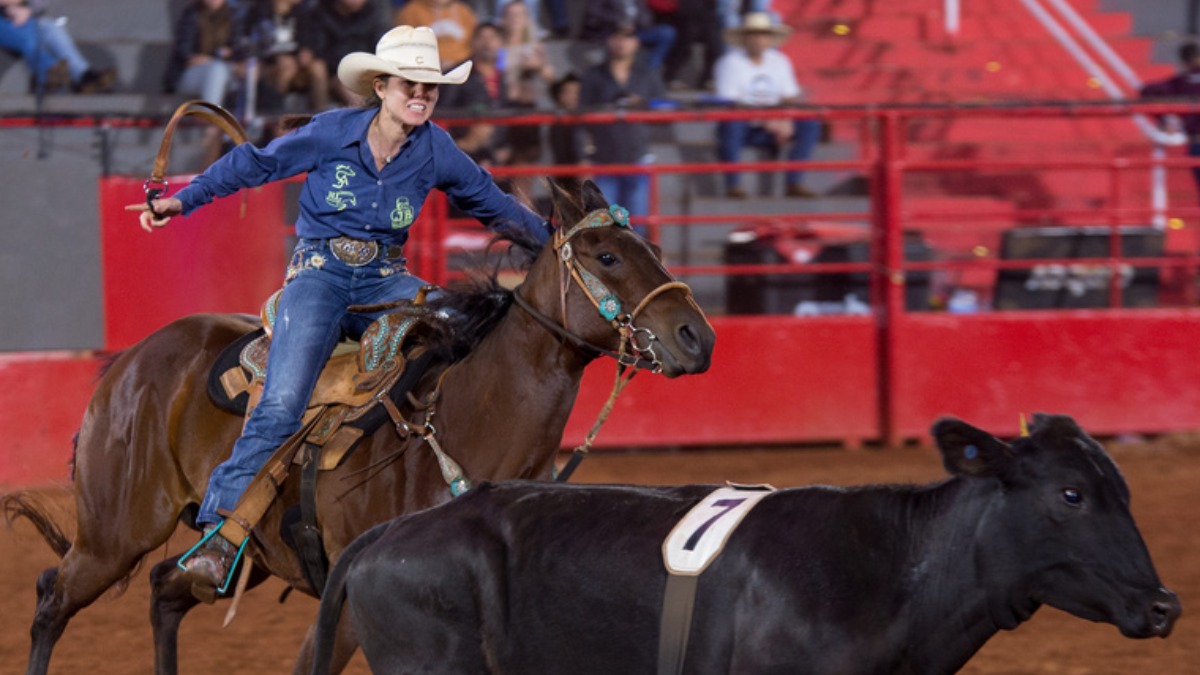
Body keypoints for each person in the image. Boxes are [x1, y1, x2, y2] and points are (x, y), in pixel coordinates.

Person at [126, 24, 551, 589]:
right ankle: (219, 535)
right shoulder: (331, 133)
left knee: (468, 334)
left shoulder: (436, 149)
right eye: (409, 84)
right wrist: (182, 200)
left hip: (386, 281)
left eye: (430, 87)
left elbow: (492, 203)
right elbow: (254, 164)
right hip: (319, 277)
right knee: (280, 403)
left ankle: (455, 479)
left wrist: (557, 242)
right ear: (381, 86)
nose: (420, 95)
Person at [713, 11, 821, 199]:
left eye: (763, 34)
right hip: (744, 126)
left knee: (810, 122)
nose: (759, 40)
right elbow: (730, 103)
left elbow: (789, 97)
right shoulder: (730, 63)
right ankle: (734, 185)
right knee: (732, 123)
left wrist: (784, 119)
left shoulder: (779, 61)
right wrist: (767, 120)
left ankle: (794, 182)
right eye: (754, 34)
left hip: (773, 124)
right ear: (745, 38)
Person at [579, 19, 664, 232]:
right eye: (617, 36)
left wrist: (642, 104)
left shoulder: (647, 75)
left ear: (636, 42)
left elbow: (665, 109)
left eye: (628, 36)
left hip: (638, 158)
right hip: (603, 161)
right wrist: (583, 158)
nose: (622, 42)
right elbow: (579, 119)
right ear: (608, 41)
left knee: (638, 227)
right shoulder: (593, 76)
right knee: (604, 228)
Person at [164, 0, 255, 167]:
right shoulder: (191, 14)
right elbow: (185, 54)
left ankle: (250, 120)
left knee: (245, 70)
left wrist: (223, 57)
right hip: (192, 75)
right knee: (216, 70)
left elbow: (242, 49)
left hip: (226, 73)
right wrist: (215, 59)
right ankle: (210, 121)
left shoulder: (235, 15)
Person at [0, 0, 115, 93]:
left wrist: (26, 7)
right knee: (30, 40)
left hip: (17, 17)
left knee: (49, 26)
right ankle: (52, 74)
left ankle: (83, 76)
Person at [438, 20, 510, 167]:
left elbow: (504, 110)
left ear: (501, 43)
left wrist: (504, 145)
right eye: (482, 38)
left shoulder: (503, 76)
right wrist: (464, 142)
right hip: (464, 150)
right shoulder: (458, 73)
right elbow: (442, 110)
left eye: (492, 38)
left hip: (495, 152)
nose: (487, 43)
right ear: (473, 42)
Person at [1141, 41, 1200, 200]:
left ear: (1184, 61)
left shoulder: (1179, 82)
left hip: (1196, 142)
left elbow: (1147, 91)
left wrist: (1166, 119)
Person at [247, 0, 329, 112]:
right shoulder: (260, 12)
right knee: (285, 65)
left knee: (318, 67)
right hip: (268, 65)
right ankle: (277, 117)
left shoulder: (303, 13)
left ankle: (321, 114)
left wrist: (307, 51)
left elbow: (311, 41)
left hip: (298, 64)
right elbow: (249, 42)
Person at [309, 0, 388, 105]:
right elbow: (319, 50)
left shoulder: (373, 12)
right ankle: (320, 115)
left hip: (367, 68)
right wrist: (343, 72)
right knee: (351, 92)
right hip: (335, 72)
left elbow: (382, 45)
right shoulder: (321, 13)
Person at [580, 0, 674, 74]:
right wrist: (620, 22)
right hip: (612, 31)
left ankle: (651, 70)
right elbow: (594, 13)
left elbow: (645, 14)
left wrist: (640, 22)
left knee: (666, 33)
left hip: (636, 31)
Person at [393, 0, 477, 69]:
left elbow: (475, 43)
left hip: (462, 67)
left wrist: (457, 63)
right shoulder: (411, 11)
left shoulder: (464, 11)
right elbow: (403, 44)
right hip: (424, 68)